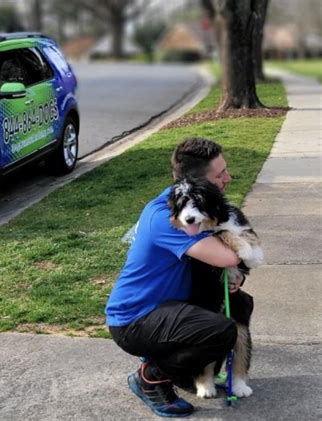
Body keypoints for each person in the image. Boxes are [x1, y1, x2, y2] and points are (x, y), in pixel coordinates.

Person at [105, 137, 248, 418]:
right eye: (220, 175)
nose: (228, 178)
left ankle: (181, 368)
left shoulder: (189, 203)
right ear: (198, 184)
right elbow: (229, 256)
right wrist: (235, 256)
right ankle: (151, 377)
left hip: (167, 309)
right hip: (135, 319)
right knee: (221, 330)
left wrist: (236, 277)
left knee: (241, 304)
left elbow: (227, 259)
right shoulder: (168, 217)